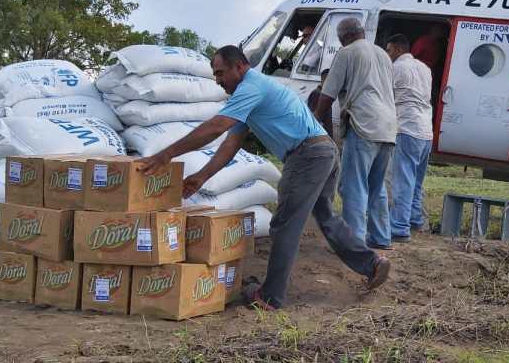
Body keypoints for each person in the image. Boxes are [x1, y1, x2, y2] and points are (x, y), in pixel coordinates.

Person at [138, 45, 390, 310]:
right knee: (326, 217)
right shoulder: (249, 94)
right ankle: (372, 264)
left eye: (220, 73)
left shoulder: (251, 87)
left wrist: (166, 155)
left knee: (284, 225)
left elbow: (215, 128)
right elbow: (230, 143)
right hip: (324, 151)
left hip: (307, 155)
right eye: (214, 75)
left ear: (239, 66)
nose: (218, 81)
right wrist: (202, 176)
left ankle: (270, 297)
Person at [312, 18, 397, 250]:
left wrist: (313, 121)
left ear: (343, 37)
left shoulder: (346, 53)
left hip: (364, 126)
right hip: (388, 127)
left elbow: (328, 94)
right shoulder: (382, 54)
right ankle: (381, 237)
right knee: (376, 186)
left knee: (354, 186)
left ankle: (353, 244)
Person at [385, 34, 433, 243]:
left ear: (395, 49)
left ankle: (399, 228)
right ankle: (415, 221)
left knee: (403, 181)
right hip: (426, 130)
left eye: (388, 50)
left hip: (407, 128)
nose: (387, 54)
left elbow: (386, 96)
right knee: (416, 182)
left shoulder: (395, 68)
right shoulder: (425, 69)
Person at [307, 69, 333, 138]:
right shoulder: (317, 94)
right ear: (325, 80)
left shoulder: (325, 95)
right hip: (321, 137)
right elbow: (313, 119)